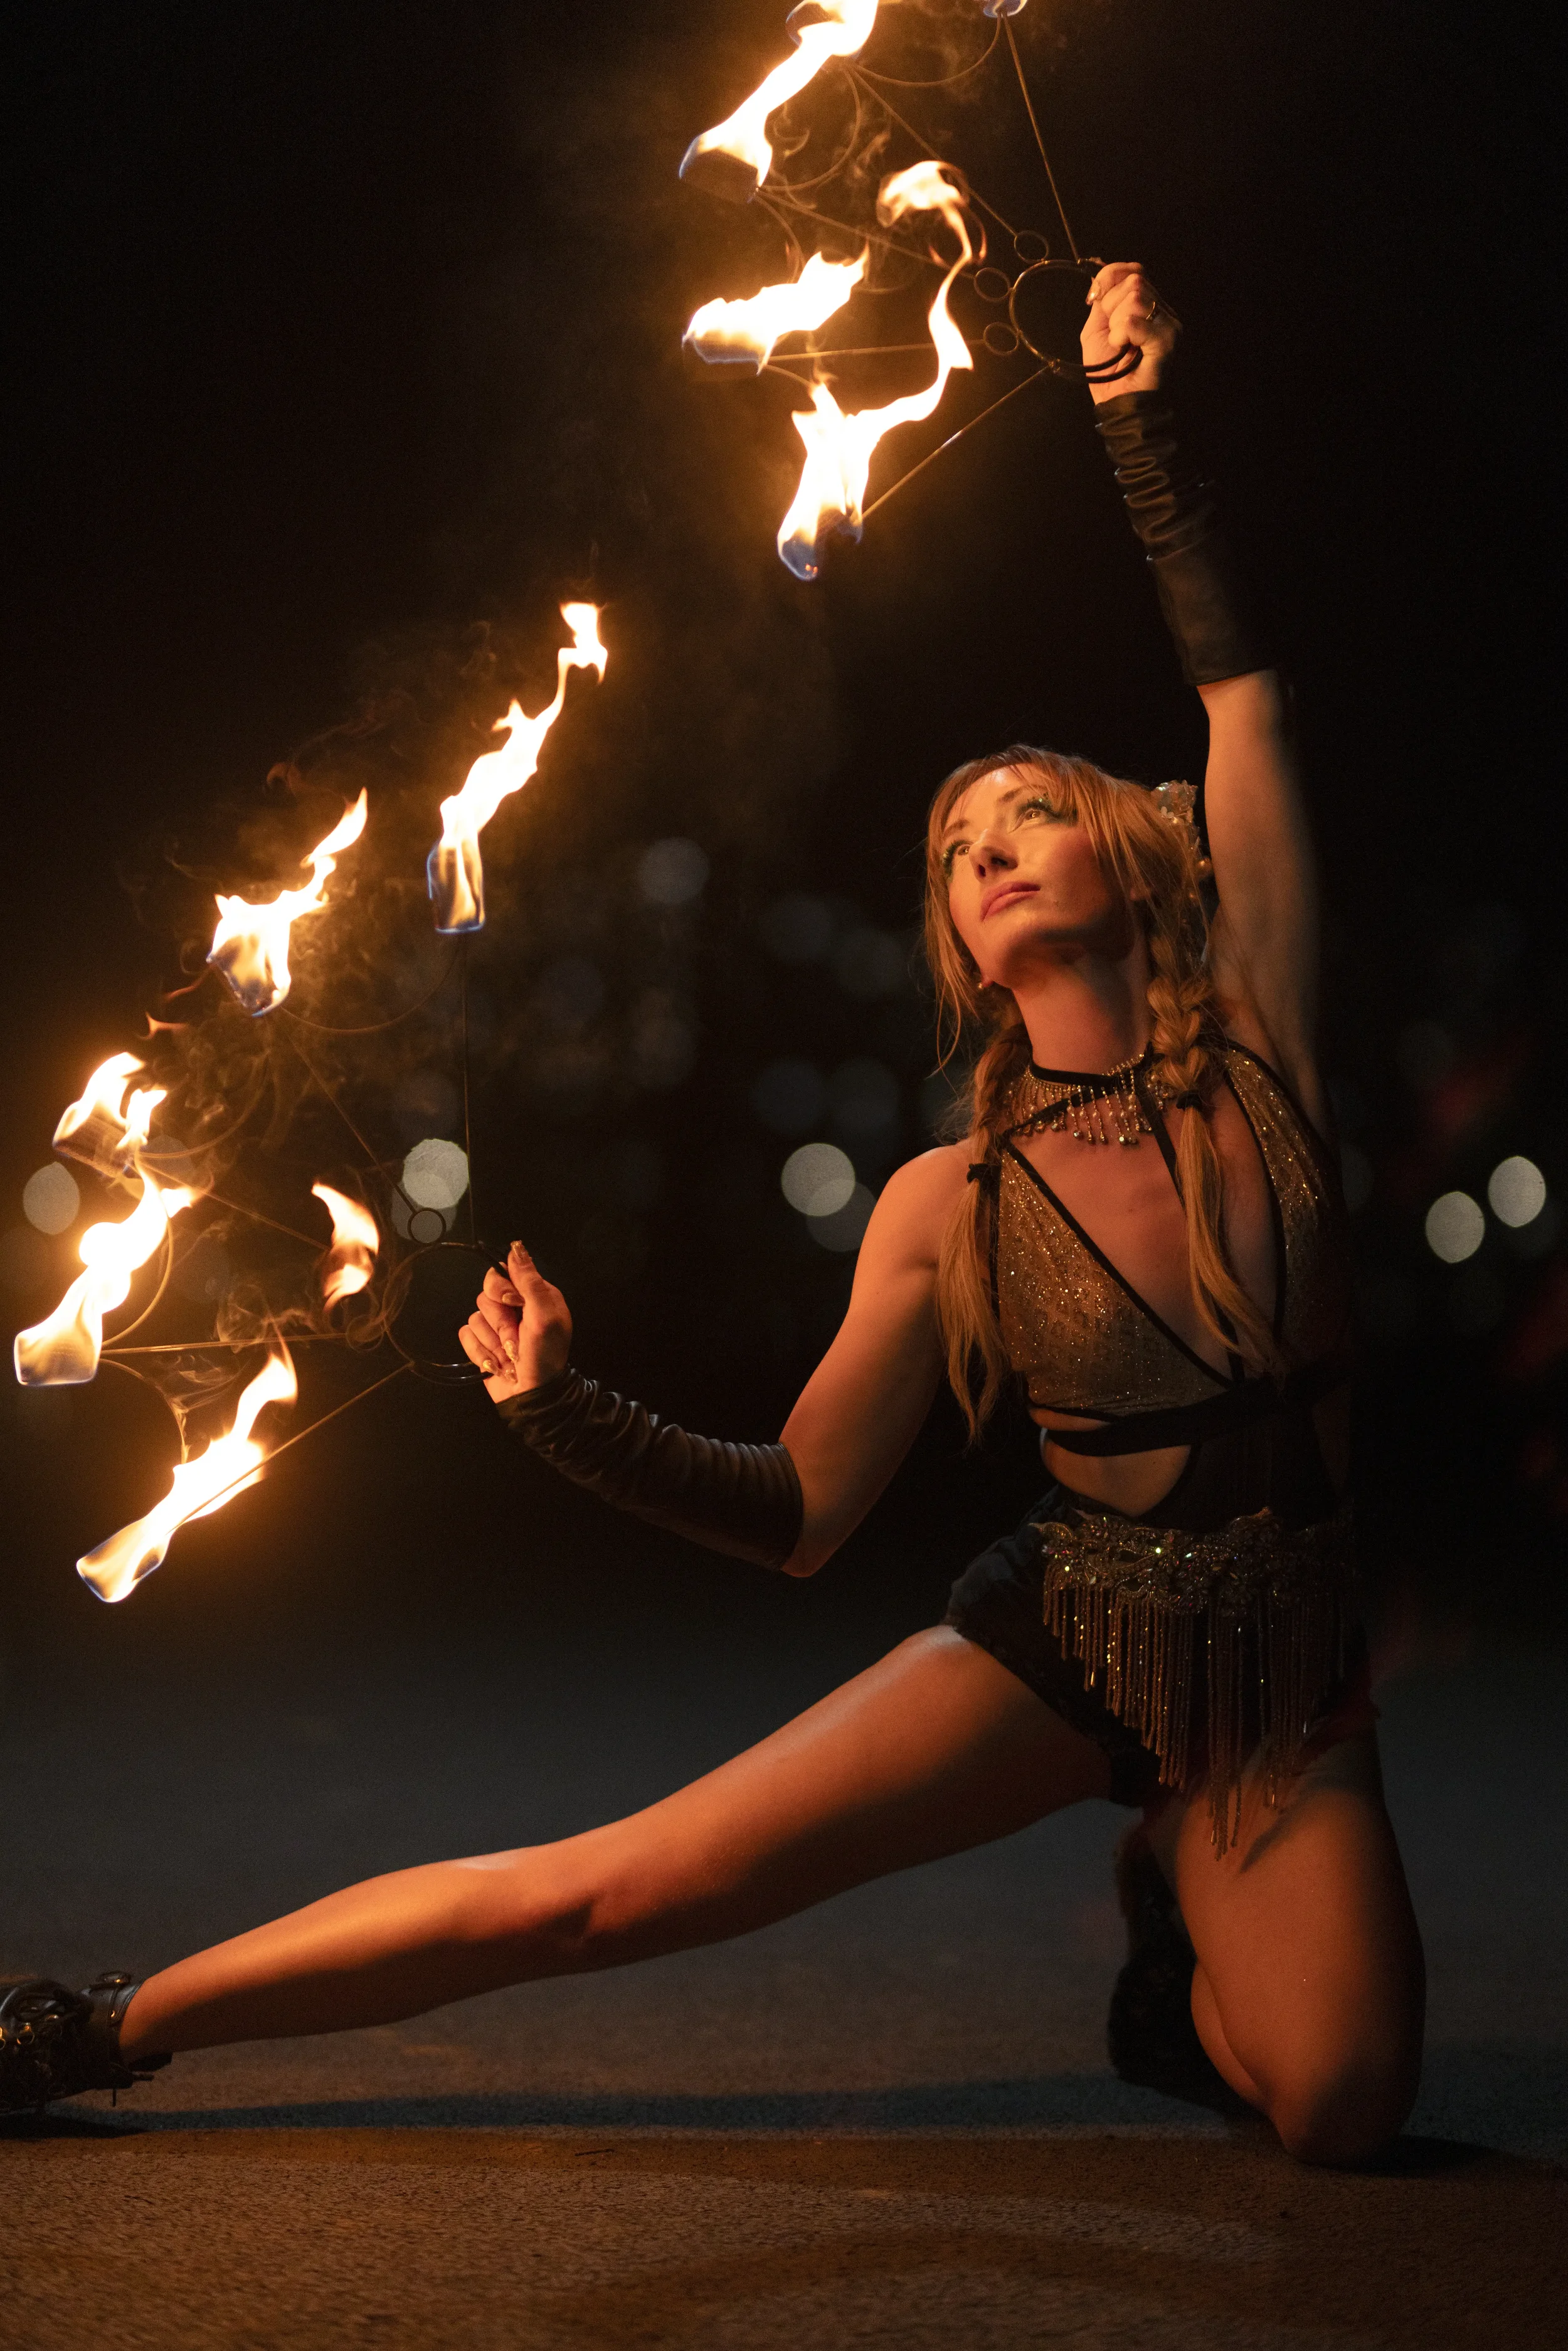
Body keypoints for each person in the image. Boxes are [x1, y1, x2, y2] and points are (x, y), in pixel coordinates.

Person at [0, 266, 1424, 2166]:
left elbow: (1240, 689)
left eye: (1026, 812)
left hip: (1284, 1681)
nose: (987, 848)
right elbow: (802, 1512)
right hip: (1068, 1636)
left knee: (1338, 2103)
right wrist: (562, 1407)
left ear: (1139, 850)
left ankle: (1177, 1954)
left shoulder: (1261, 1048)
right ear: (954, 941)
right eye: (954, 852)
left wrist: (1140, 436)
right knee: (604, 1895)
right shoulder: (946, 1199)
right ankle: (98, 2024)